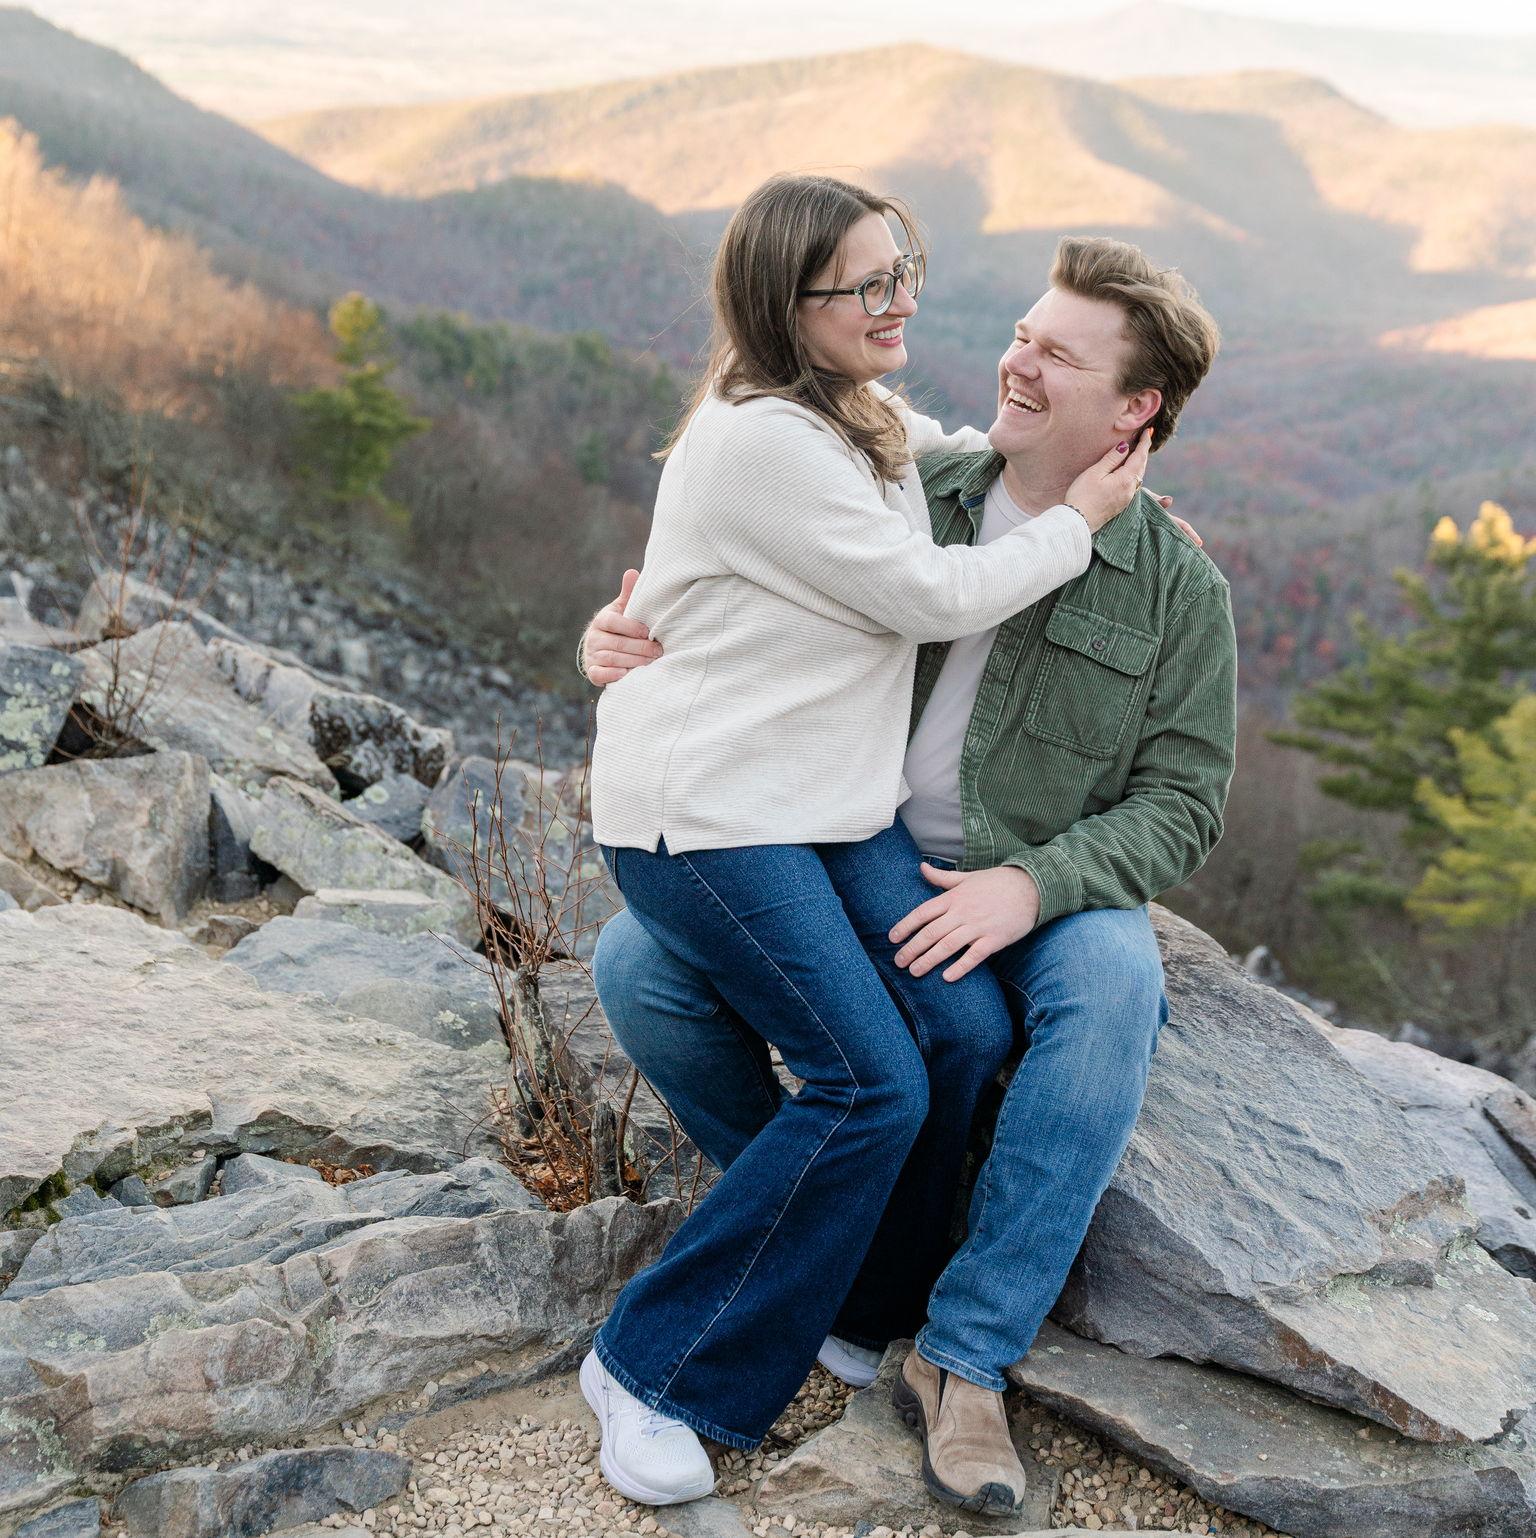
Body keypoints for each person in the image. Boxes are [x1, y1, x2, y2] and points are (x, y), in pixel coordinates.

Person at [581, 233, 1236, 1517]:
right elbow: (730, 588)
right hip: (854, 837)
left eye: (1058, 352)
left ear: (1137, 406)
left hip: (1045, 877)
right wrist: (619, 637)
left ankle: (967, 1355)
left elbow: (1182, 801)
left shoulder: (1175, 587)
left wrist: (1032, 888)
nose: (1017, 359)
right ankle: (840, 1254)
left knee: (1108, 994)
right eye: (1024, 332)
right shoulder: (911, 483)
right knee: (638, 969)